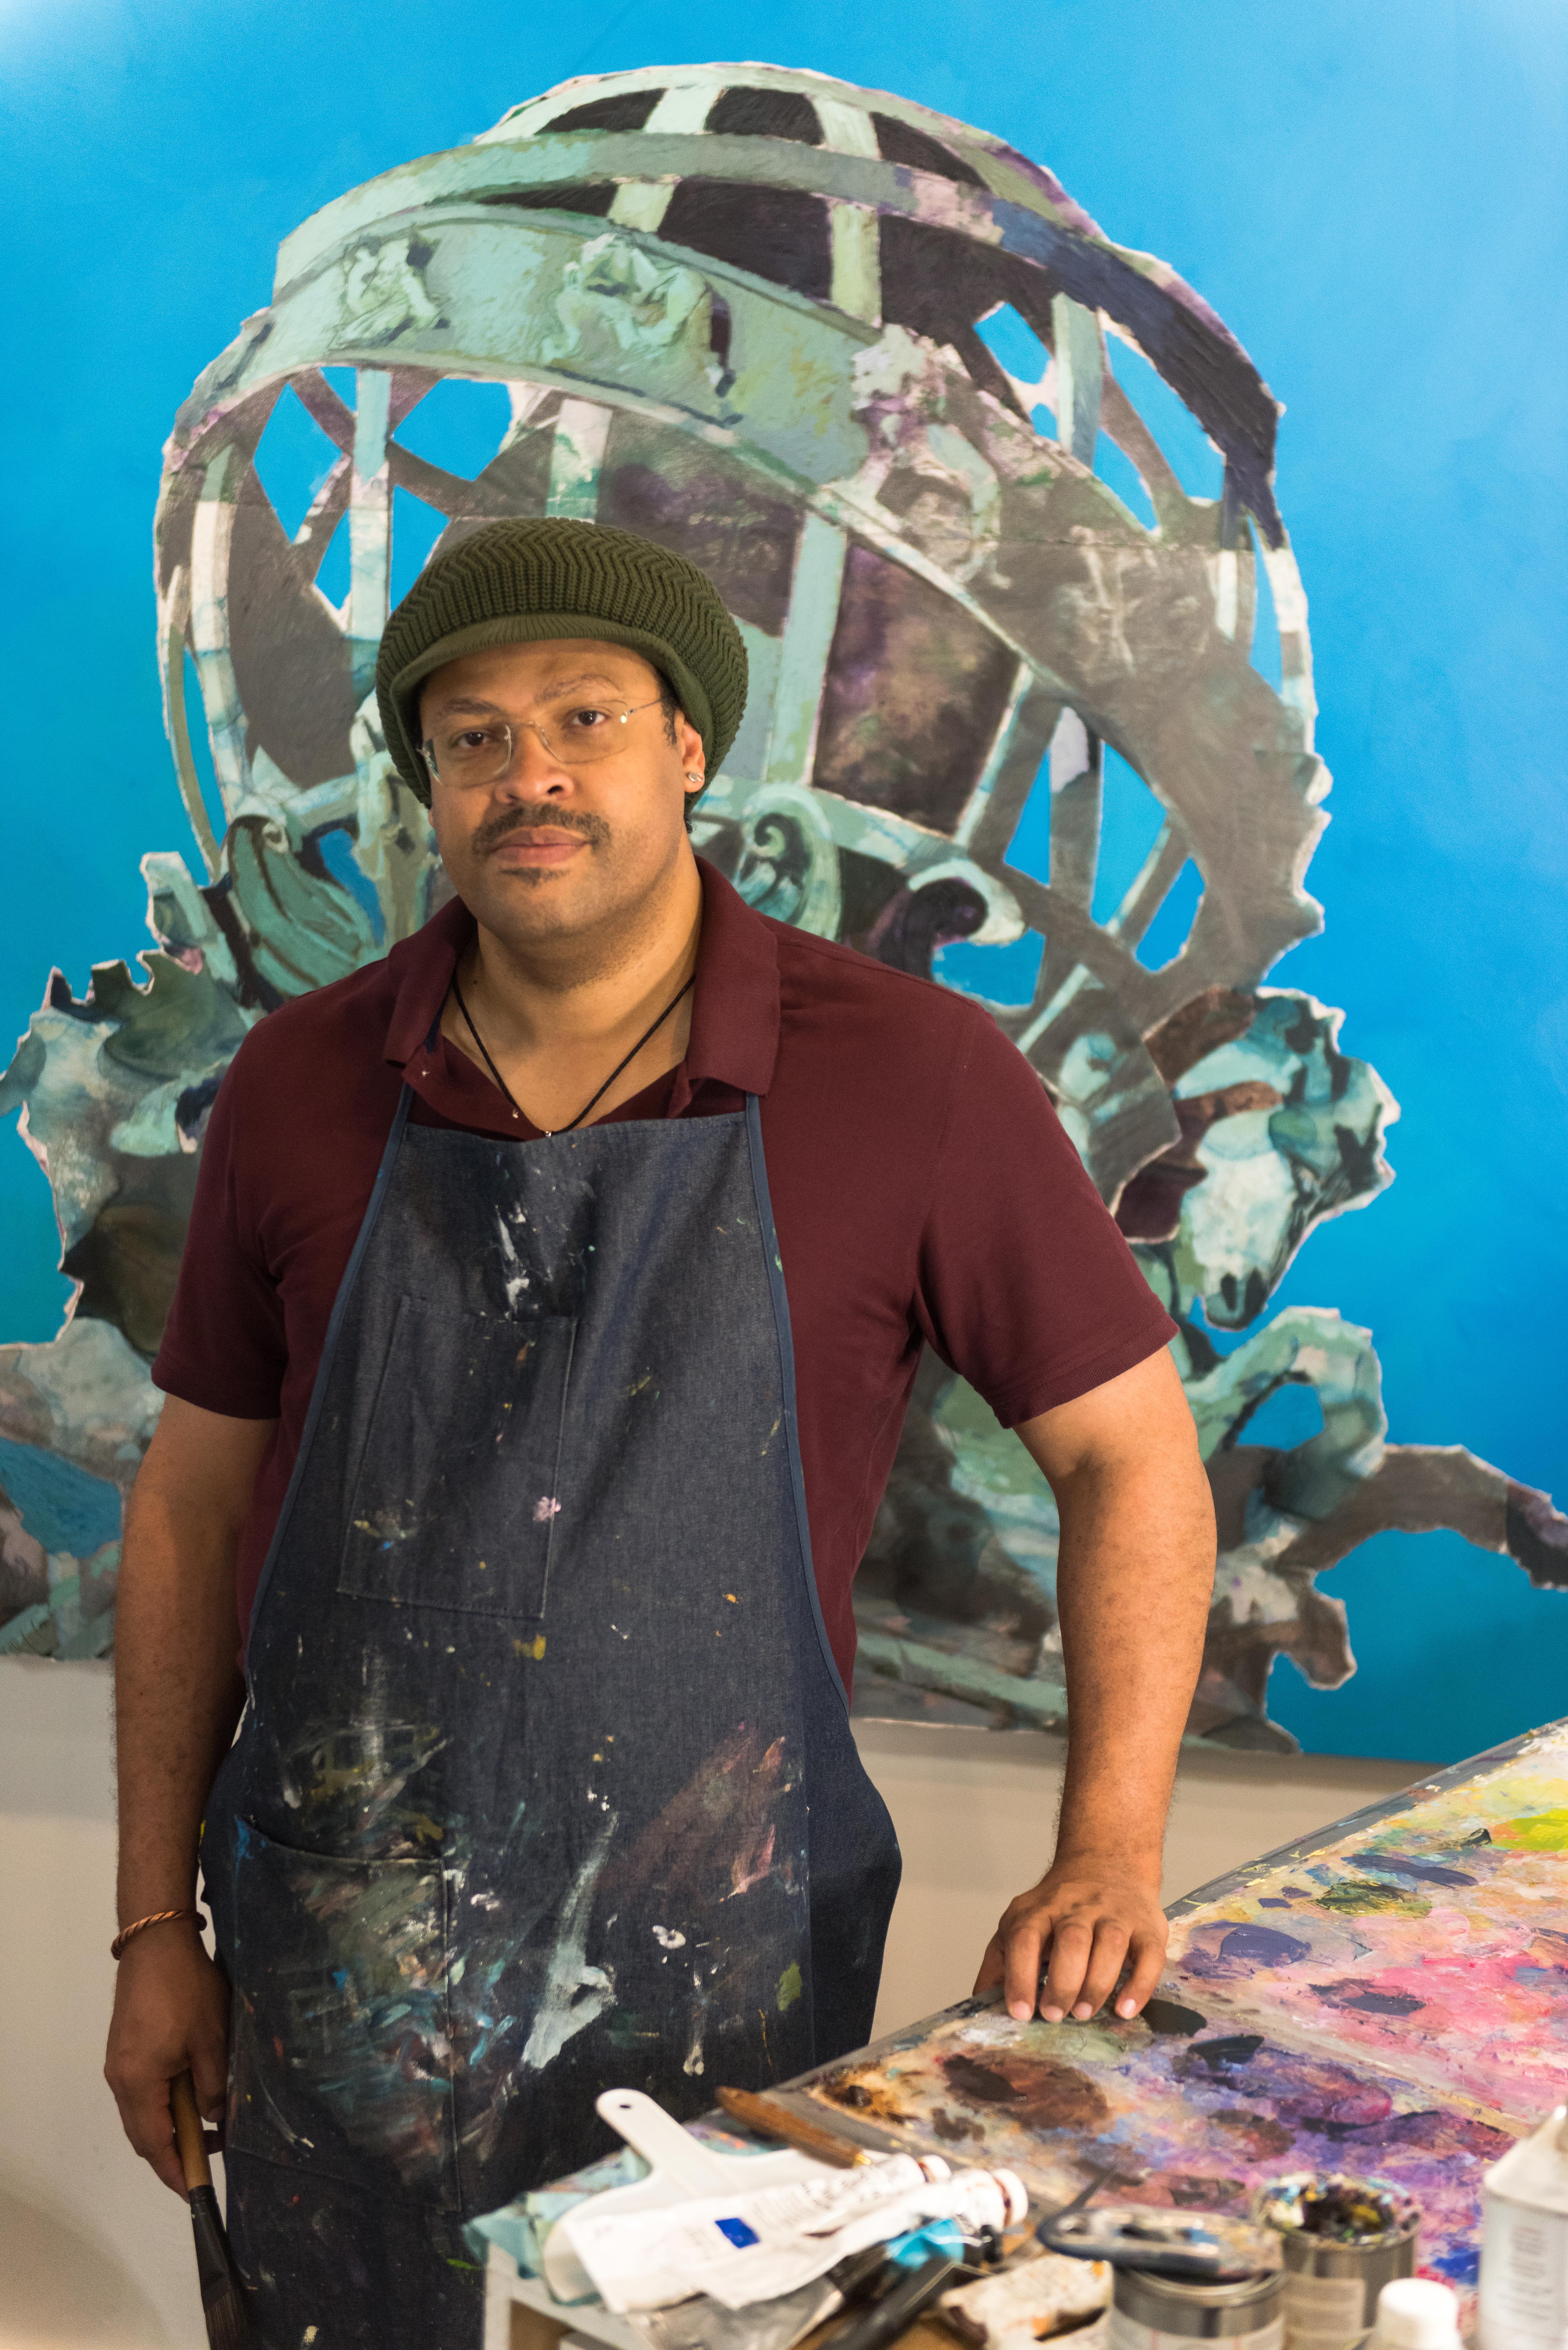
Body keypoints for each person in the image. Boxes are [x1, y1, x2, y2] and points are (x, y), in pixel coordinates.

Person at [104, 519, 1215, 2345]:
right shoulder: (299, 1082)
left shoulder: (919, 1079)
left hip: (723, 1982)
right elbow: (187, 1512)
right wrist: (157, 1930)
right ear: (427, 784)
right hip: (332, 1976)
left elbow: (1131, 1458)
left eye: (585, 718)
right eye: (469, 735)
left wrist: (1108, 1847)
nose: (528, 774)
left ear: (688, 747)